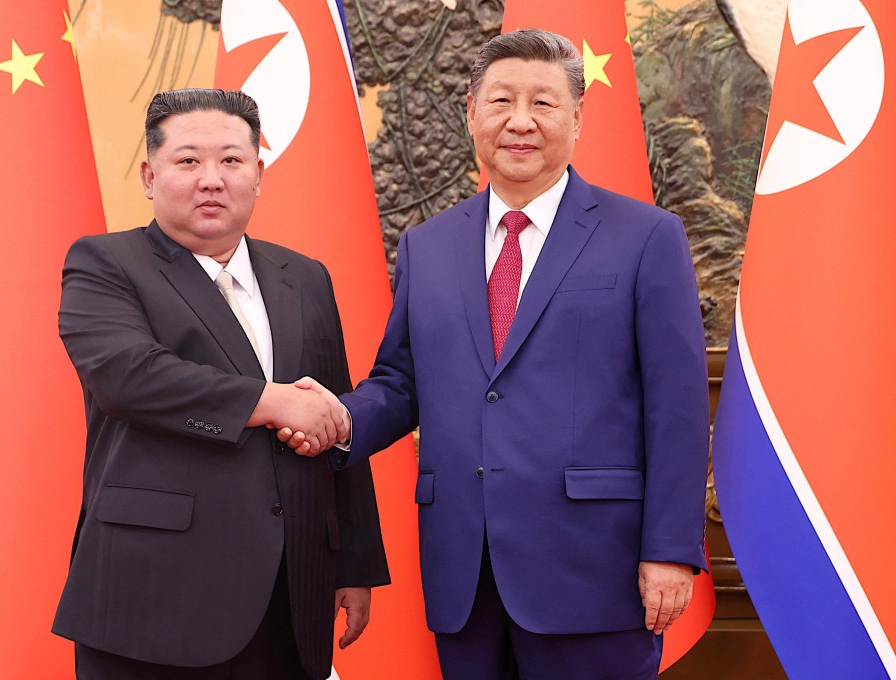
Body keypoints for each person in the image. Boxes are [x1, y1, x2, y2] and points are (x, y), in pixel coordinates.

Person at [284, 29, 709, 679]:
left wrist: (671, 550)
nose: (519, 121)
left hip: (595, 571)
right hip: (464, 571)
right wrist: (339, 420)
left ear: (576, 117)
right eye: (501, 100)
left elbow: (677, 405)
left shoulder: (646, 237)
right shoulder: (428, 246)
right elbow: (401, 381)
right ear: (471, 114)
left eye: (543, 103)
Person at [52, 88, 389, 680]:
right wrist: (272, 400)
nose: (212, 179)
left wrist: (353, 562)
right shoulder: (106, 263)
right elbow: (129, 376)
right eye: (188, 161)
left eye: (232, 161)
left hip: (292, 590)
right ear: (149, 175)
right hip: (154, 596)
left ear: (258, 174)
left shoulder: (304, 277)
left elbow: (331, 415)